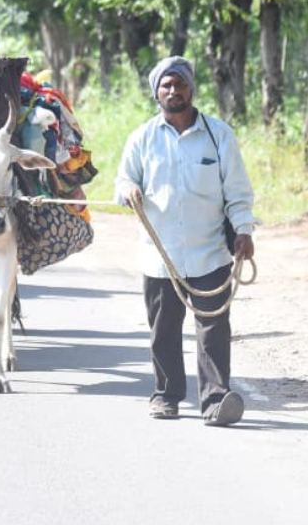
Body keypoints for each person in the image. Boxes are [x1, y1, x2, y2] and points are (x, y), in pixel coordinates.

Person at [114, 56, 257, 427]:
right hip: (160, 256)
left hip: (210, 252)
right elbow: (124, 180)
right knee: (163, 331)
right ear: (156, 92)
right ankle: (166, 396)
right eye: (166, 85)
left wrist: (243, 230)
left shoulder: (219, 135)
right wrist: (128, 190)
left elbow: (238, 191)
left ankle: (215, 401)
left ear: (192, 89)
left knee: (213, 329)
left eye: (179, 84)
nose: (173, 91)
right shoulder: (142, 138)